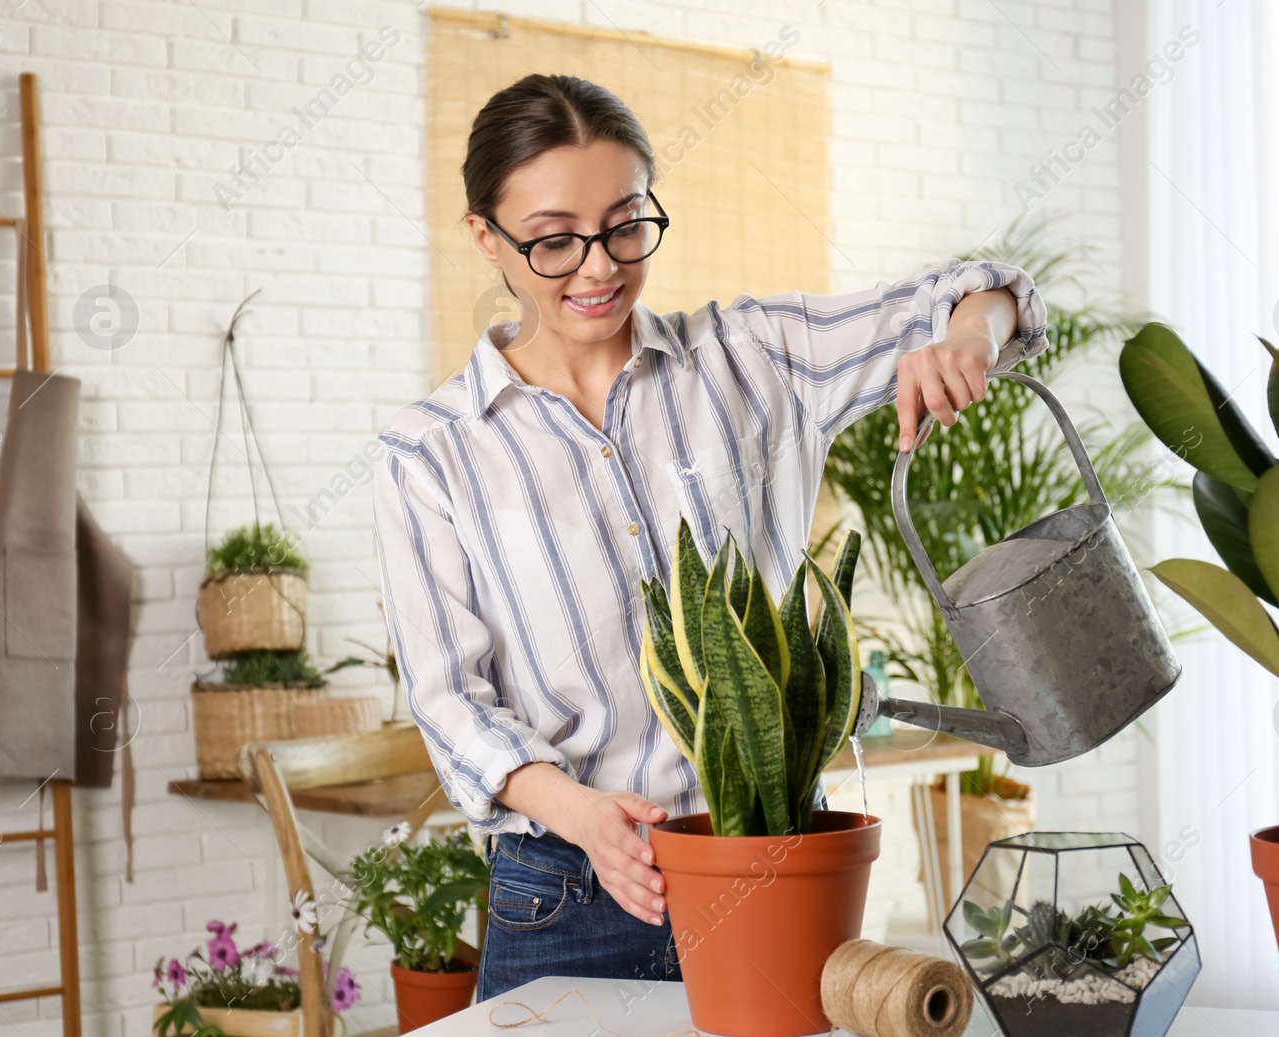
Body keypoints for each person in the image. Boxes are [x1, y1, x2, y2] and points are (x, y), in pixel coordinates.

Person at [371, 72, 1048, 1002]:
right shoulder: (431, 453)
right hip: (573, 890)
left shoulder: (752, 356)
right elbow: (451, 700)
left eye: (624, 224)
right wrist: (583, 816)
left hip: (773, 860)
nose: (599, 267)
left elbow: (985, 288)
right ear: (485, 237)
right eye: (554, 240)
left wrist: (967, 340)